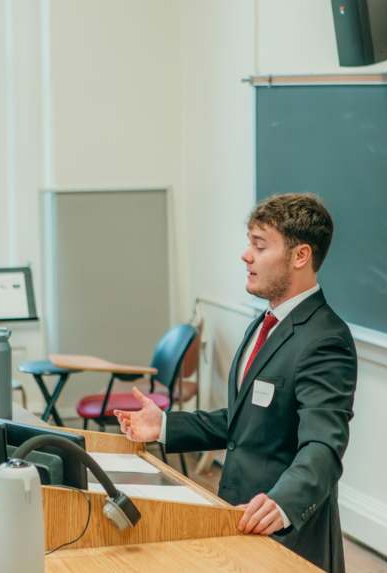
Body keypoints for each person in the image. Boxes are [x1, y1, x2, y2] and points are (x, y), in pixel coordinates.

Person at [116, 193, 357, 573]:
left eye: (259, 246)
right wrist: (163, 425)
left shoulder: (326, 339)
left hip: (286, 532)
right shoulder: (264, 324)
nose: (246, 256)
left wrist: (283, 502)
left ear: (300, 256)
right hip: (238, 515)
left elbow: (323, 446)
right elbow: (245, 420)